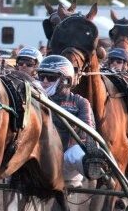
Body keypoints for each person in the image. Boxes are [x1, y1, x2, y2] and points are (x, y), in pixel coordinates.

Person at [38, 55, 94, 187]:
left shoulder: (80, 103)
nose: (44, 81)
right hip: (38, 160)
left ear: (66, 80)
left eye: (50, 77)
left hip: (64, 161)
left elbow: (87, 134)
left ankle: (93, 169)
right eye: (41, 77)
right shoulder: (34, 99)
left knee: (75, 152)